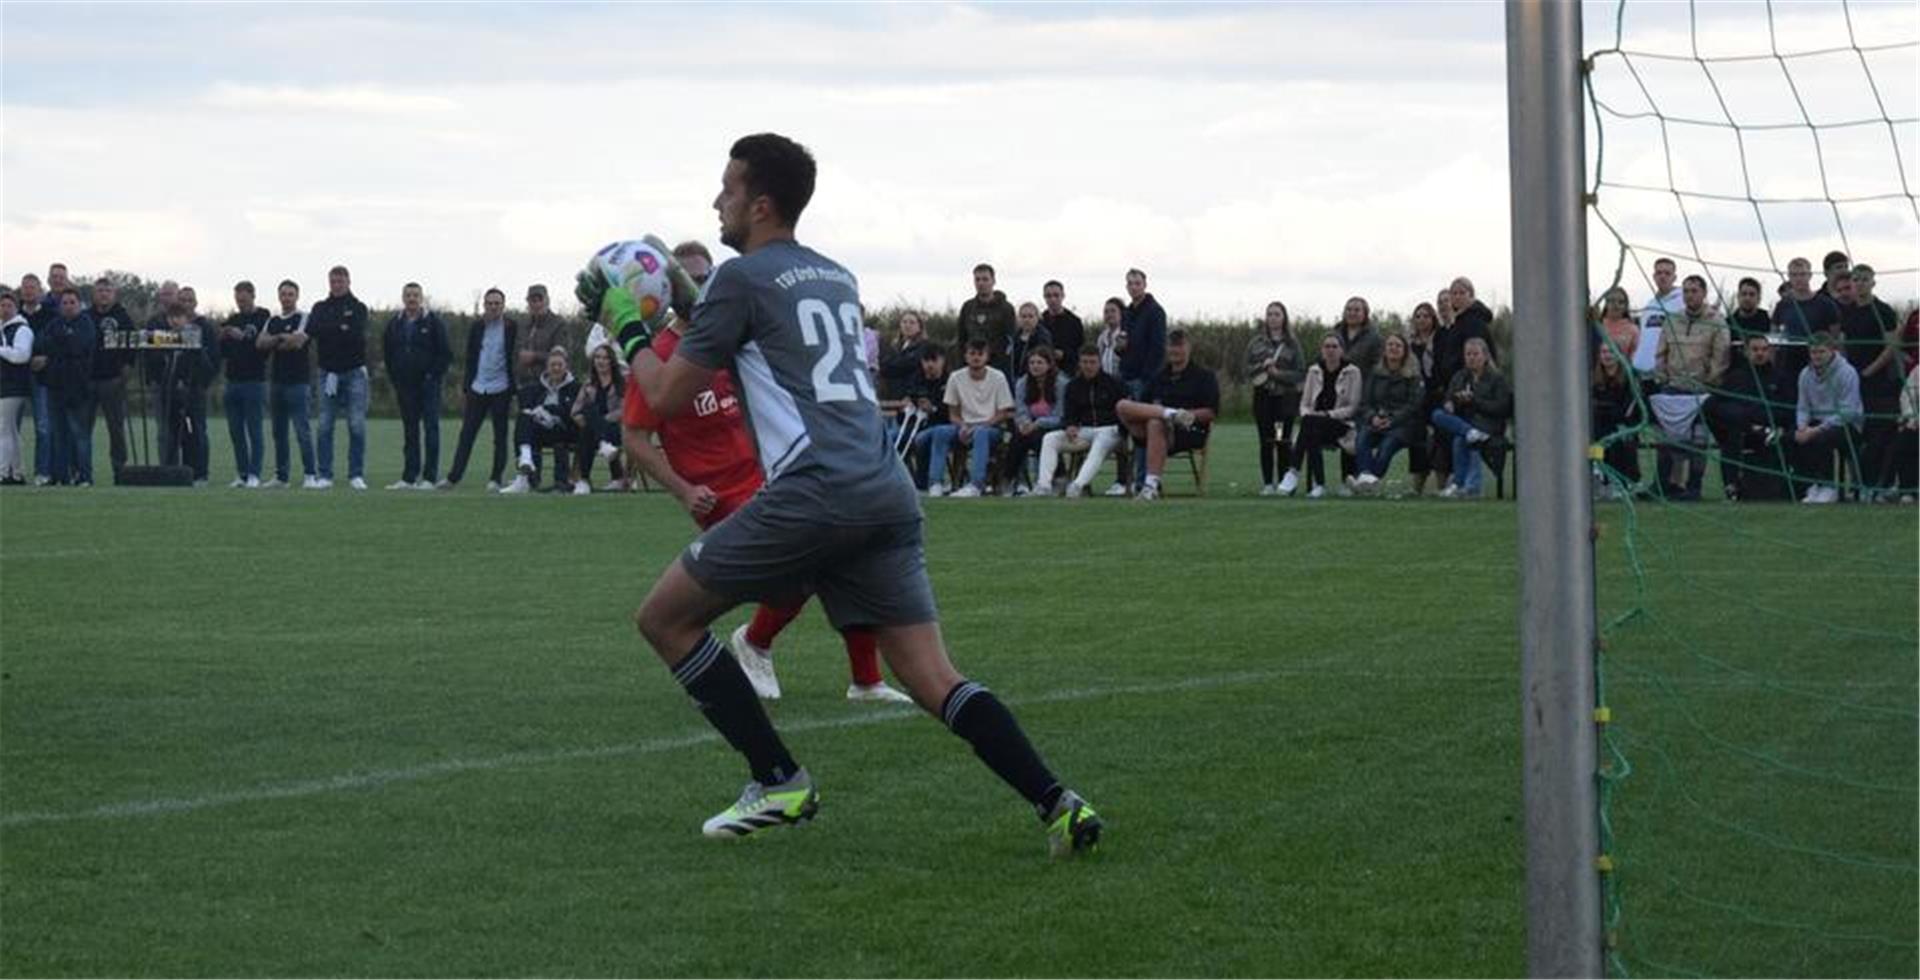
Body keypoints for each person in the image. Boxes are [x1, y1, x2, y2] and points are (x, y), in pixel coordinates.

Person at [595, 132, 1100, 853]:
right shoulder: (833, 275)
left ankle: (778, 781)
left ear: (760, 203)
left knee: (665, 619)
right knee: (933, 677)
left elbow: (666, 396)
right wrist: (677, 286)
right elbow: (743, 320)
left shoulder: (742, 281)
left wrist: (625, 326)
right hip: (884, 488)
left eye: (728, 189)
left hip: (815, 488)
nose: (717, 200)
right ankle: (1061, 803)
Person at [618, 306, 911, 704]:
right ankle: (756, 641)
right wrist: (684, 490)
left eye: (706, 277)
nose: (701, 287)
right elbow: (634, 437)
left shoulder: (729, 343)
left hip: (775, 478)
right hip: (719, 493)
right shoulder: (660, 356)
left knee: (842, 556)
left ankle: (866, 681)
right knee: (807, 566)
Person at [1114, 328, 1218, 501]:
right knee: (1122, 405)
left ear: (1188, 348)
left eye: (1179, 345)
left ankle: (1150, 486)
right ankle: (1170, 413)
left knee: (1155, 422)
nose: (1175, 350)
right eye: (1171, 345)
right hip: (1149, 431)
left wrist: (1187, 415)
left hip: (1189, 430)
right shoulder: (1159, 377)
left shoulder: (1204, 377)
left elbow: (1211, 411)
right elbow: (1142, 405)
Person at [1650, 274, 1729, 501]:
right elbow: (1661, 352)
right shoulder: (1672, 319)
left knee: (1698, 441)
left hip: (1700, 391)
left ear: (1704, 293)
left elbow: (1720, 356)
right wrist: (1662, 378)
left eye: (1694, 291)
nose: (1689, 295)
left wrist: (1708, 383)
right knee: (1665, 440)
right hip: (1672, 388)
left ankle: (1694, 488)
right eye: (1686, 291)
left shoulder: (1716, 321)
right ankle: (1663, 484)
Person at [916, 338, 1013, 498]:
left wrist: (980, 426)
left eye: (980, 354)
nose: (976, 358)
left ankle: (976, 485)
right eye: (972, 354)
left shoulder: (998, 377)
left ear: (987, 357)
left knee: (981, 433)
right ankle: (935, 483)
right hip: (963, 426)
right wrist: (963, 426)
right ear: (966, 356)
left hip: (990, 428)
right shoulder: (955, 377)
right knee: (940, 431)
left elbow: (1002, 413)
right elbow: (952, 413)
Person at [441, 288, 517, 491]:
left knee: (500, 436)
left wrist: (514, 388)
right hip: (478, 387)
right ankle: (453, 478)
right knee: (466, 434)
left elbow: (513, 357)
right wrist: (466, 388)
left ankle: (495, 478)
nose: (493, 307)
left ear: (503, 305)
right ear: (484, 305)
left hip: (501, 387)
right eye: (490, 303)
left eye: (497, 303)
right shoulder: (476, 327)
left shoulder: (512, 327)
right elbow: (470, 358)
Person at [1704, 333, 1794, 501]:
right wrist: (1747, 423)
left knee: (1739, 418)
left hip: (1772, 433)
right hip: (1740, 433)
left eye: (1764, 349)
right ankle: (1732, 488)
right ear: (1746, 352)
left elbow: (1787, 410)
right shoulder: (1735, 377)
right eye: (1755, 349)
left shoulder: (1781, 378)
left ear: (1771, 352)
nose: (1760, 353)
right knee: (1717, 410)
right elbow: (1716, 406)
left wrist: (1754, 416)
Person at [1837, 265, 1900, 499]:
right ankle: (1858, 485)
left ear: (1873, 282)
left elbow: (1891, 346)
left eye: (1865, 279)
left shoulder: (1883, 311)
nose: (1860, 283)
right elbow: (1842, 344)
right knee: (1854, 434)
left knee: (1878, 435)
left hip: (1879, 383)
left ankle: (1878, 486)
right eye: (1856, 279)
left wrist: (1869, 371)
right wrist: (1848, 372)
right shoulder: (1847, 312)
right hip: (1853, 383)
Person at [382, 282, 453, 490]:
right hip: (405, 386)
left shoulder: (433, 322)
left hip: (429, 385)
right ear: (403, 298)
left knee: (431, 428)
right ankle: (409, 477)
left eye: (415, 295)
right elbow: (388, 353)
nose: (412, 299)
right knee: (410, 431)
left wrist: (432, 376)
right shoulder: (394, 324)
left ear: (421, 298)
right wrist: (395, 377)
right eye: (408, 295)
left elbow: (445, 354)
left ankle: (429, 478)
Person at [309, 265, 371, 490]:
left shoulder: (359, 307)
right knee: (324, 425)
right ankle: (324, 475)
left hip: (355, 373)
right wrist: (339, 327)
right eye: (333, 281)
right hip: (327, 373)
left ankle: (356, 474)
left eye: (340, 281)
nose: (336, 285)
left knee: (356, 425)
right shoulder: (320, 307)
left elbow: (355, 335)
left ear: (348, 282)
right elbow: (313, 329)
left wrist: (331, 329)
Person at [1037, 346, 1126, 497]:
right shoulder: (1073, 386)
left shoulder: (1114, 383)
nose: (1088, 366)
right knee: (1050, 438)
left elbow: (1124, 410)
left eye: (1092, 362)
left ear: (1099, 363)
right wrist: (1070, 425)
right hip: (1083, 430)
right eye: (1085, 362)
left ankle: (1077, 485)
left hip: (1110, 430)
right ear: (1079, 363)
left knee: (1101, 442)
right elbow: (1069, 413)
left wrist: (1121, 430)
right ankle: (1043, 486)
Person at [1430, 337, 1512, 499]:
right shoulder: (1460, 376)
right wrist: (1452, 403)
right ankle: (1471, 433)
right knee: (1437, 414)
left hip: (1489, 424)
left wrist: (1474, 400)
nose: (1471, 358)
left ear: (1485, 356)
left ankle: (1464, 486)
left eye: (1475, 354)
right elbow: (1448, 398)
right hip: (1466, 422)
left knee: (1463, 440)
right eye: (1468, 354)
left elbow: (1502, 408)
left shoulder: (1497, 379)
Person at [259, 280, 318, 489]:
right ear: (279, 296)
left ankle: (310, 474)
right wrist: (281, 339)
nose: (286, 297)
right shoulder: (272, 320)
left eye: (290, 294)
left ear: (297, 296)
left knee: (302, 430)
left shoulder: (304, 318)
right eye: (283, 294)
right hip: (276, 383)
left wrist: (278, 340)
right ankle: (281, 476)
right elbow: (260, 343)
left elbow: (298, 342)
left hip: (298, 383)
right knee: (279, 432)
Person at [1790, 332, 1862, 504]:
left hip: (1847, 424)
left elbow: (1849, 411)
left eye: (1821, 352)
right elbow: (1803, 406)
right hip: (1816, 421)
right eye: (1813, 352)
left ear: (1832, 351)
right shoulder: (1805, 374)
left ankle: (1829, 487)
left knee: (1823, 438)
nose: (1817, 356)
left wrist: (1816, 430)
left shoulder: (1847, 372)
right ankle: (1810, 485)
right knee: (1793, 438)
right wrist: (1802, 427)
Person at [1290, 334, 1361, 499]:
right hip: (1315, 424)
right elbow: (1304, 403)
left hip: (1341, 424)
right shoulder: (1313, 370)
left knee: (1309, 425)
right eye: (1327, 346)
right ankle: (1319, 484)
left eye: (1334, 347)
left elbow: (1352, 406)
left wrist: (1327, 414)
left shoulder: (1353, 372)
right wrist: (1310, 414)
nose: (1330, 350)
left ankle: (1294, 472)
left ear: (1342, 350)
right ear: (1322, 350)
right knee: (1311, 426)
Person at [1245, 300, 1304, 496]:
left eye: (1277, 314)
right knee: (1265, 441)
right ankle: (1268, 484)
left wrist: (1278, 374)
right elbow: (1246, 370)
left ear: (1284, 318)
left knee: (1281, 440)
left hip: (1283, 401)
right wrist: (1262, 366)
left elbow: (1299, 373)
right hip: (1263, 400)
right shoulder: (1256, 343)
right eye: (1269, 314)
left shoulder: (1292, 344)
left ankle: (1283, 484)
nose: (1273, 318)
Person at [40, 288, 98, 486]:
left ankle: (85, 476)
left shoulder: (86, 324)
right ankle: (60, 476)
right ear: (60, 305)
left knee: (80, 434)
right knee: (58, 434)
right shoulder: (54, 324)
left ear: (79, 304)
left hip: (78, 387)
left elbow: (78, 346)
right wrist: (63, 343)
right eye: (64, 302)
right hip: (55, 386)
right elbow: (43, 343)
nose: (68, 306)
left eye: (72, 302)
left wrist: (59, 344)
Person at [1353, 332, 1426, 489]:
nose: (1393, 348)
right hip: (1376, 421)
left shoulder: (1413, 376)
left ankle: (1366, 479)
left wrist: (1392, 420)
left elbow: (1414, 405)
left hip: (1403, 424)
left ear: (1405, 351)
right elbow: (1364, 402)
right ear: (1384, 349)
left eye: (1398, 345)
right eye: (1390, 345)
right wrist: (1372, 417)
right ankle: (1367, 478)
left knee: (1386, 446)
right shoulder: (1375, 373)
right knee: (1362, 438)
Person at [502, 347, 580, 494]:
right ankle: (526, 471)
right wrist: (538, 413)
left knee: (555, 436)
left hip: (565, 430)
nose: (556, 368)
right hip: (542, 429)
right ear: (547, 367)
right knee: (524, 418)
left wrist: (550, 410)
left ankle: (560, 482)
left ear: (566, 367)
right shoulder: (537, 387)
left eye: (559, 365)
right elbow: (529, 408)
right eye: (552, 365)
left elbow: (572, 413)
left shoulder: (575, 387)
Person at [219, 281, 271, 488]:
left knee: (254, 430)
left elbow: (264, 346)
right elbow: (223, 351)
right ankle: (241, 474)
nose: (240, 303)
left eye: (243, 299)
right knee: (235, 431)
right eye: (237, 299)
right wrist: (224, 336)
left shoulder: (263, 317)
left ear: (253, 295)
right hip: (232, 381)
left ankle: (254, 474)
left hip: (254, 381)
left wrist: (244, 338)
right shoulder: (233, 319)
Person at [85, 277, 137, 479]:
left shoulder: (122, 317)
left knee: (116, 428)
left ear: (114, 294)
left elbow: (132, 343)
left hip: (113, 380)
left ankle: (120, 470)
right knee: (83, 428)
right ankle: (82, 472)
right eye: (99, 290)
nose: (103, 294)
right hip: (88, 380)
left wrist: (127, 367)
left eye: (107, 290)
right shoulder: (86, 316)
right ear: (94, 294)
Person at [1003, 344, 1066, 495]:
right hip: (1030, 426)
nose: (1035, 366)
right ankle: (1008, 480)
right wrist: (1024, 423)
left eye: (1039, 363)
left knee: (1040, 438)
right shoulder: (1023, 383)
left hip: (1055, 425)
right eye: (1032, 363)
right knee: (1019, 437)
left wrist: (1037, 424)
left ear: (1049, 364)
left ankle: (1058, 479)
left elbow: (1060, 415)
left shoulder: (1061, 383)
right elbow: (1020, 409)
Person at [1771, 256, 1839, 386]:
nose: (1798, 279)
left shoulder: (1826, 304)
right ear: (1789, 277)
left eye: (1802, 274)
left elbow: (1835, 337)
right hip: (1788, 365)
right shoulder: (1783, 304)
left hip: (1818, 365)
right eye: (1794, 275)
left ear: (1810, 275)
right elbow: (1773, 336)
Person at [570, 343, 628, 492]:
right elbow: (575, 411)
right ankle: (591, 479)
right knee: (588, 417)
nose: (600, 361)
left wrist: (604, 420)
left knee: (592, 423)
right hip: (592, 431)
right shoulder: (588, 384)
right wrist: (582, 419)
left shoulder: (621, 383)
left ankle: (585, 479)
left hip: (615, 429)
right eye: (597, 357)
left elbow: (624, 409)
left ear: (611, 361)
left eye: (605, 358)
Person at [1590, 345, 1642, 497]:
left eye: (1611, 352)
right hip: (1600, 424)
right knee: (1596, 441)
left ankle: (1626, 481)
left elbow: (1629, 407)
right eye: (1603, 352)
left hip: (1623, 423)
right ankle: (1601, 479)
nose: (1607, 356)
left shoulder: (1630, 376)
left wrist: (1610, 412)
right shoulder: (1593, 377)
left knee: (1621, 439)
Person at [897, 346, 951, 490]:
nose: (930, 365)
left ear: (942, 361)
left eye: (934, 360)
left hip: (939, 425)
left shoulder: (950, 382)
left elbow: (952, 414)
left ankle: (924, 482)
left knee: (922, 438)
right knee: (890, 437)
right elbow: (901, 419)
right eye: (926, 360)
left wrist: (933, 409)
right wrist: (904, 409)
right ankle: (900, 480)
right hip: (913, 426)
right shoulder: (915, 381)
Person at [1405, 301, 1443, 495]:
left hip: (1436, 394)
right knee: (1417, 438)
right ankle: (1417, 485)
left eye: (1426, 315)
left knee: (1438, 438)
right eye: (1418, 316)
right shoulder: (1409, 343)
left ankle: (1441, 484)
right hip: (1415, 396)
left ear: (1433, 318)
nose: (1421, 319)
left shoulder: (1440, 339)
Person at [17, 274, 53, 484]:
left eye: (32, 287)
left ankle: (42, 472)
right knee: (12, 427)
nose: (28, 291)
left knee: (43, 426)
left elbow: (56, 343)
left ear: (40, 290)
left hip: (42, 377)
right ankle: (13, 470)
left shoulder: (50, 315)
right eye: (25, 288)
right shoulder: (13, 314)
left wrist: (46, 358)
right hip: (15, 379)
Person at [955, 263, 1017, 376]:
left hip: (997, 368)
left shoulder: (1006, 308)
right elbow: (961, 338)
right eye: (977, 279)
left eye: (985, 279)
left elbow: (1011, 340)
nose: (981, 283)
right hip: (971, 367)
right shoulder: (967, 307)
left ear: (993, 281)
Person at [1118, 268, 1166, 400]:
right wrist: (1120, 348)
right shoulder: (1126, 312)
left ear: (1145, 285)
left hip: (1145, 379)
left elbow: (1158, 348)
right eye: (1130, 283)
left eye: (1137, 283)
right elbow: (1123, 347)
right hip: (1126, 375)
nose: (1134, 287)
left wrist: (1145, 376)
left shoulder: (1155, 312)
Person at [0, 292, 33, 484]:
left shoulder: (22, 330)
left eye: (8, 305)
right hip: (4, 385)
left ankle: (4, 472)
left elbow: (21, 356)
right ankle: (17, 472)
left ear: (16, 307)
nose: (4, 309)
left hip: (14, 386)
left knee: (4, 429)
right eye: (2, 306)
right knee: (10, 430)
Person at [515, 284, 570, 390]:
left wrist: (534, 356)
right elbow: (516, 352)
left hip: (549, 384)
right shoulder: (522, 324)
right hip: (524, 383)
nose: (537, 304)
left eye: (540, 300)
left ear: (547, 301)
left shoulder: (558, 324)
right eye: (533, 301)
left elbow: (562, 355)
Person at [1635, 258, 1684, 374]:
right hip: (1643, 371)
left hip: (1667, 373)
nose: (1663, 276)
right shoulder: (1649, 306)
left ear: (1674, 277)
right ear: (1654, 276)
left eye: (1667, 273)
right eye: (1659, 273)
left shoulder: (1683, 301)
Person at [1332, 295, 1384, 379]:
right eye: (1348, 310)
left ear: (1365, 314)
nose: (1352, 313)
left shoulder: (1374, 338)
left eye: (1357, 310)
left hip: (1361, 385)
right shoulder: (1334, 334)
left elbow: (1377, 367)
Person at [1006, 302, 1053, 387]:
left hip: (1034, 381)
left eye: (1030, 316)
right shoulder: (1014, 336)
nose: (1027, 320)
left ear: (1037, 318)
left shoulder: (1042, 336)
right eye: (1023, 316)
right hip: (1013, 378)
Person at [1039, 279, 1084, 365]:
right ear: (1044, 297)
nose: (1053, 299)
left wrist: (1064, 355)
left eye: (1056, 295)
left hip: (1067, 370)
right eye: (1048, 296)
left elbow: (1080, 351)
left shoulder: (1074, 322)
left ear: (1063, 296)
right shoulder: (1040, 321)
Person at [1595, 287, 1639, 362]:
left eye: (1621, 302)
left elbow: (1635, 358)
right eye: (1612, 301)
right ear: (1606, 303)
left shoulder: (1633, 330)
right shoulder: (1596, 327)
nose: (1616, 305)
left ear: (1626, 306)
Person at [1094, 296, 1126, 380]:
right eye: (1106, 312)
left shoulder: (1126, 334)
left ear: (1121, 313)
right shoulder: (1101, 338)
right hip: (1106, 383)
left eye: (1113, 311)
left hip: (1124, 382)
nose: (1109, 314)